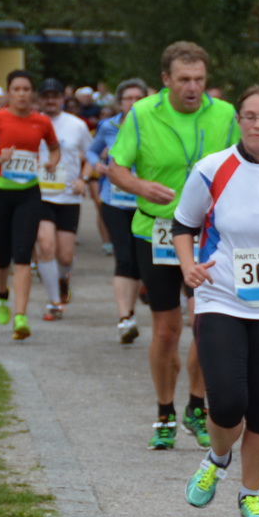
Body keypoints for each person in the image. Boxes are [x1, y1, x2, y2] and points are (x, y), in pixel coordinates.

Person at [172, 85, 259, 517]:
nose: (257, 125)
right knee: (228, 402)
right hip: (220, 297)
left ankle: (250, 495)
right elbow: (182, 224)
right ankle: (217, 456)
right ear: (239, 121)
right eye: (249, 117)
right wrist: (188, 266)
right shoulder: (212, 169)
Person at [106, 41, 237, 449]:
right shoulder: (143, 114)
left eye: (199, 79)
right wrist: (140, 185)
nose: (193, 88)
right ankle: (164, 411)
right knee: (166, 330)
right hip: (157, 231)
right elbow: (116, 168)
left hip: (207, 234)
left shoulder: (225, 115)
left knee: (206, 325)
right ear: (166, 81)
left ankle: (196, 406)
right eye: (184, 80)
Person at [0, 70, 60, 339]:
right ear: (8, 93)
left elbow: (54, 148)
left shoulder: (41, 122)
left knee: (23, 253)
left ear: (32, 93)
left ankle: (21, 317)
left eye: (26, 89)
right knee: (2, 254)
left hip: (28, 193)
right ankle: (1, 293)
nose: (22, 94)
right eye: (16, 89)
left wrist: (52, 161)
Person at [91, 79, 151, 343]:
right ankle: (124, 318)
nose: (134, 103)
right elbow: (91, 153)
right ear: (119, 102)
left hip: (143, 203)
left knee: (138, 261)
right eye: (128, 98)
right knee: (123, 257)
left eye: (139, 98)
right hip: (113, 201)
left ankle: (131, 311)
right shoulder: (108, 126)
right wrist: (100, 167)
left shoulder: (153, 126)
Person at [34, 77, 94, 320]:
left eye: (55, 95)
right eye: (46, 96)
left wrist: (84, 178)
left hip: (68, 197)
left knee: (65, 256)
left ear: (62, 98)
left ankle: (62, 278)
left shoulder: (76, 125)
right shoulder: (32, 123)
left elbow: (91, 155)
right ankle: (53, 303)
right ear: (40, 99)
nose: (50, 100)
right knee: (46, 246)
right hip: (39, 195)